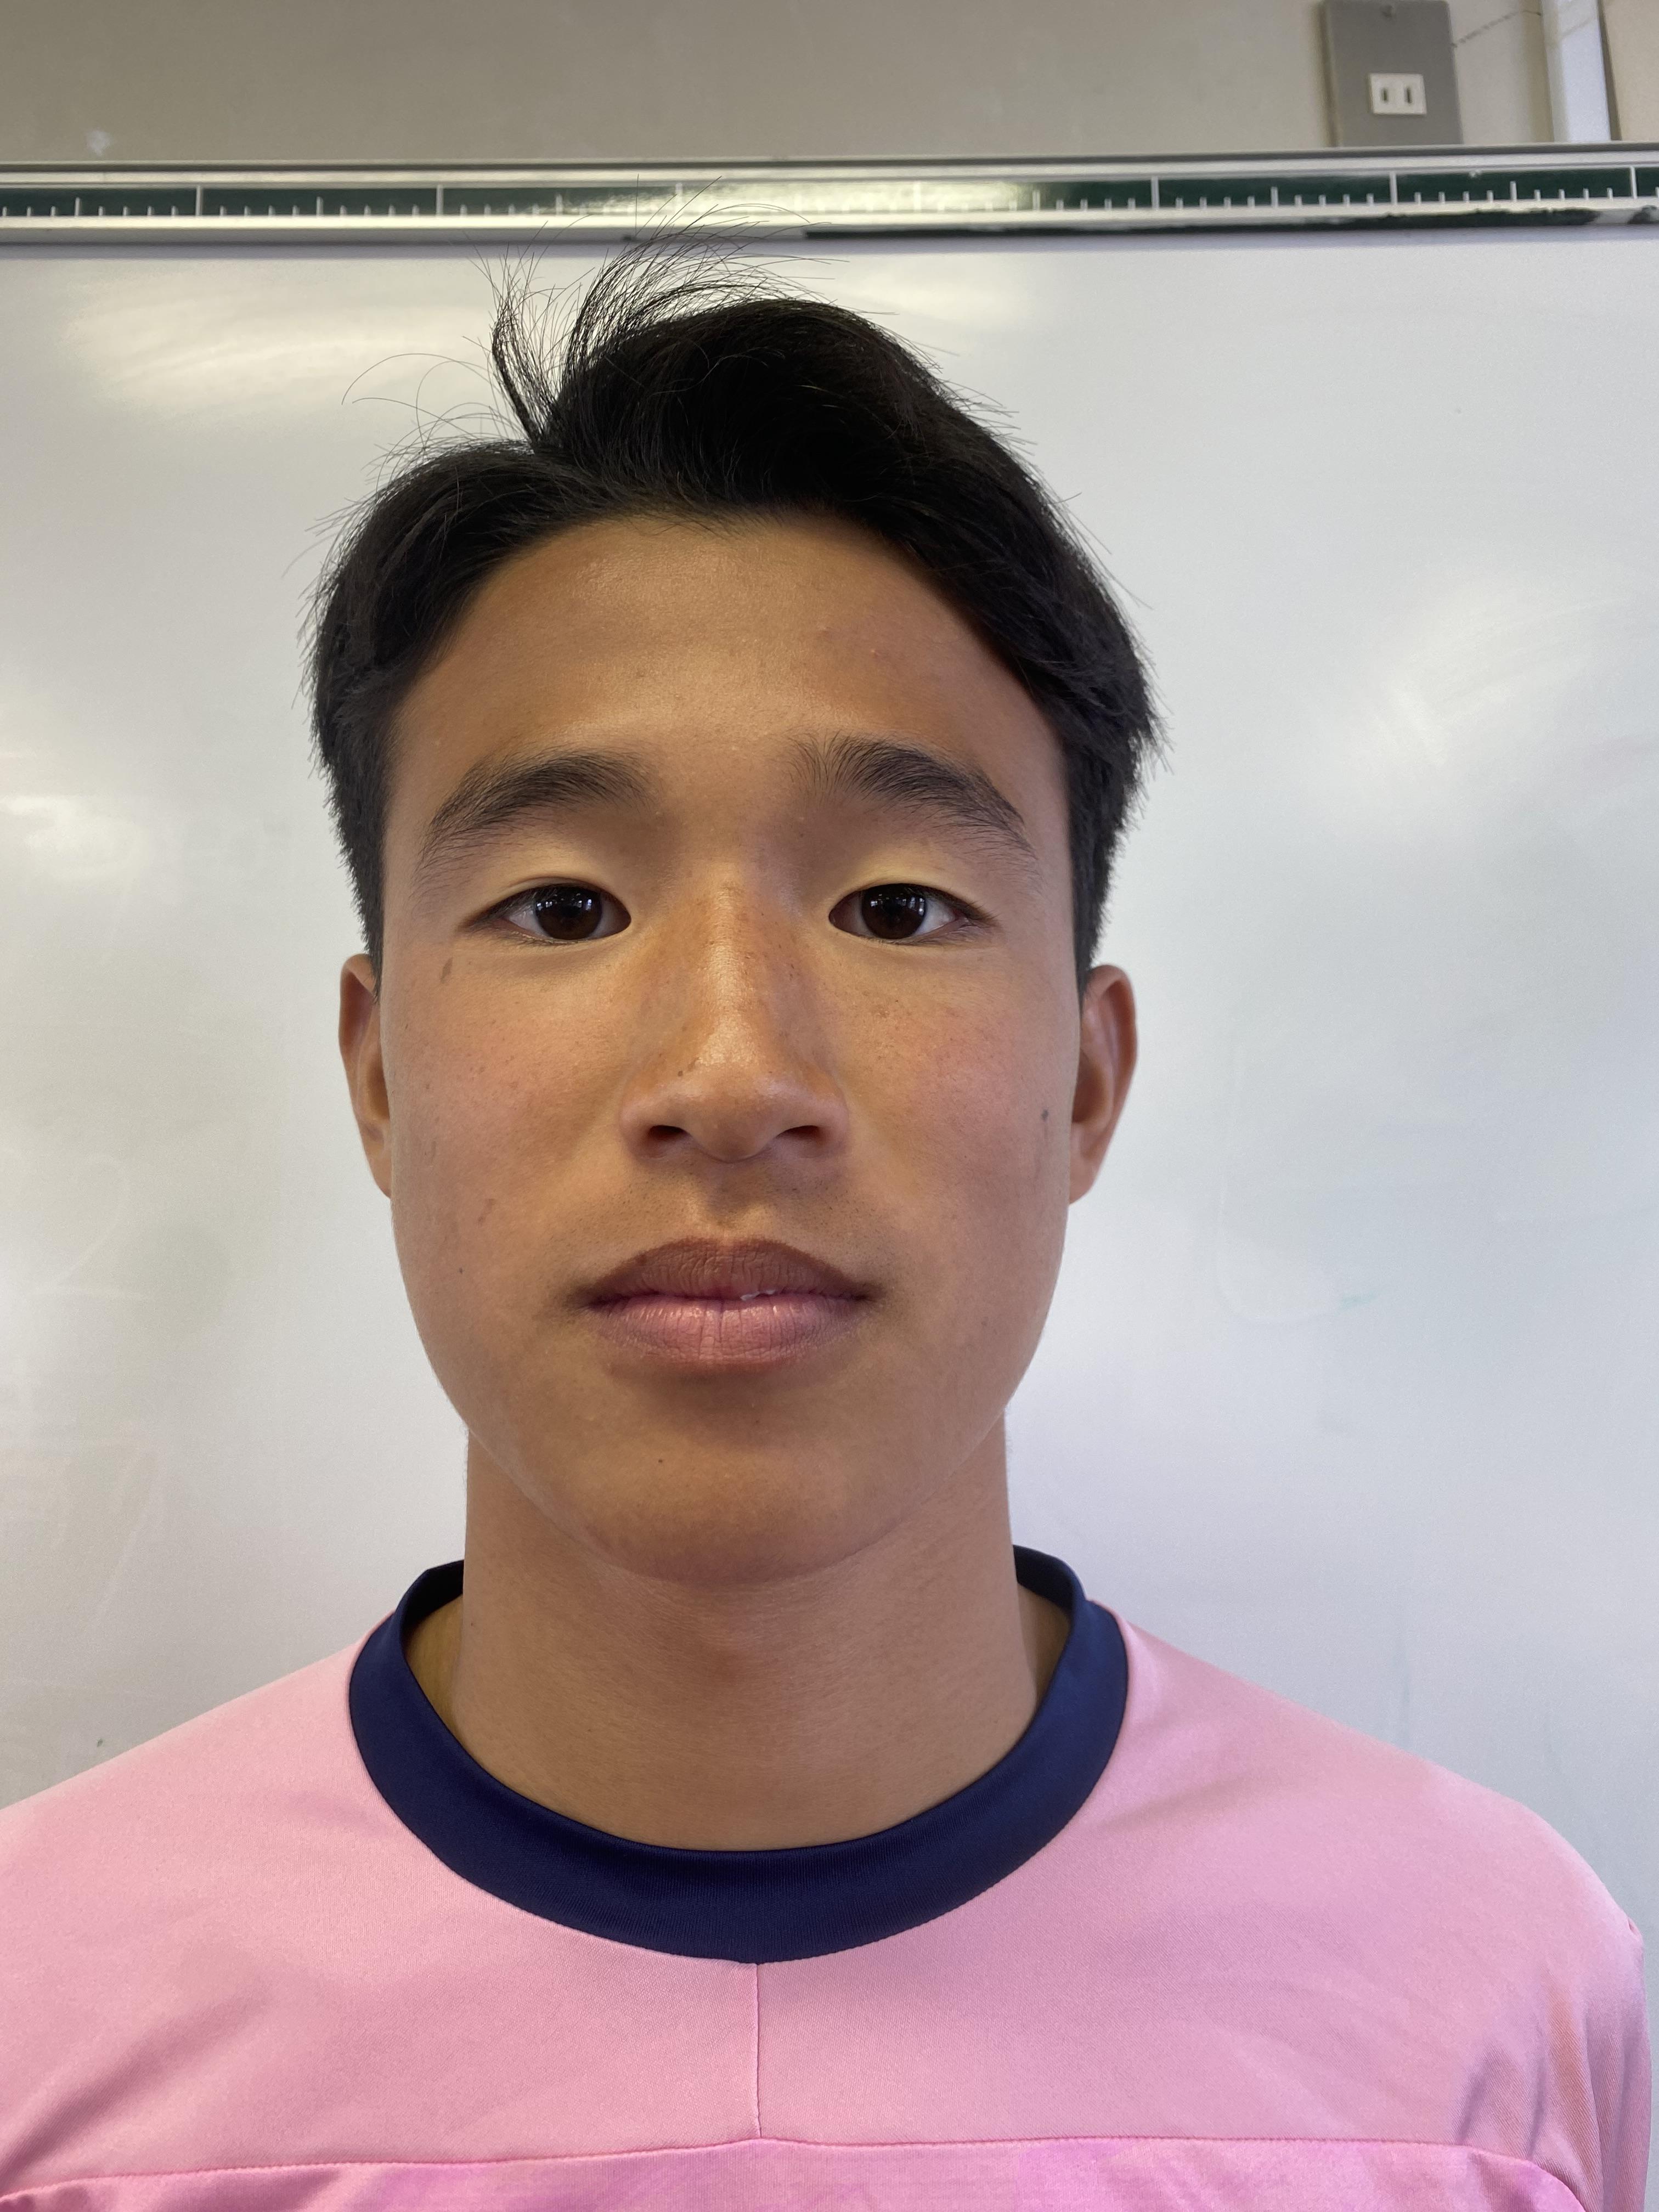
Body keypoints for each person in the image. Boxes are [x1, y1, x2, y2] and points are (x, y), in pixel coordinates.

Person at [0, 253, 1647, 2211]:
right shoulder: (45, 2014)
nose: (731, 1075)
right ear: (377, 1077)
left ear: (1086, 1083)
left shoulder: (1483, 2015)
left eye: (896, 909)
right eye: (562, 907)